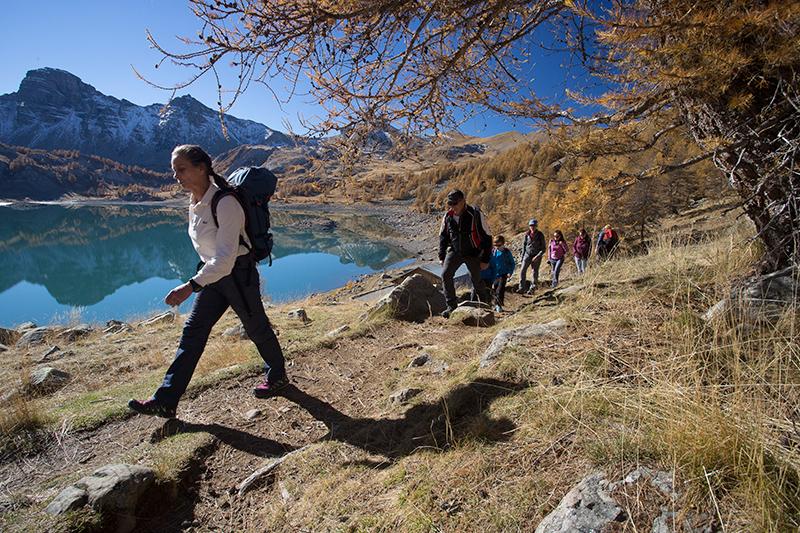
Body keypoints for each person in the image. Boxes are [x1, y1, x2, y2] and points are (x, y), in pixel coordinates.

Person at [128, 145, 288, 418]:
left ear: (202, 168)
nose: (176, 176)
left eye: (181, 169)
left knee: (256, 328)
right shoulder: (195, 201)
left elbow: (225, 259)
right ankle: (166, 399)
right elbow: (211, 252)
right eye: (174, 170)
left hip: (237, 274)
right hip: (213, 276)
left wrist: (190, 286)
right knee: (192, 334)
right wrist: (201, 278)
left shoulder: (225, 203)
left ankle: (278, 376)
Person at [438, 189, 492, 318]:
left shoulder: (475, 214)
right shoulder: (448, 216)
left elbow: (487, 237)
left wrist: (485, 259)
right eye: (450, 204)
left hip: (473, 252)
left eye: (455, 203)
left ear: (463, 201)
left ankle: (483, 305)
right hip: (455, 251)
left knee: (476, 279)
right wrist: (442, 256)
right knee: (446, 275)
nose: (452, 207)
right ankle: (451, 306)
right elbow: (443, 236)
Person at [517, 218, 546, 295]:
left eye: (534, 225)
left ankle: (532, 288)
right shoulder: (527, 234)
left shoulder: (540, 235)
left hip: (536, 255)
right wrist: (522, 257)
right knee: (522, 270)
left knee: (534, 272)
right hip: (527, 254)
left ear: (536, 226)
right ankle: (521, 288)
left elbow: (543, 248)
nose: (532, 227)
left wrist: (538, 256)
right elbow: (524, 246)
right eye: (531, 225)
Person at [489, 235, 515, 313]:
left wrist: (510, 272)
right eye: (495, 245)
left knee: (500, 289)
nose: (497, 247)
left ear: (503, 243)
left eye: (499, 245)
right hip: (495, 274)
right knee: (495, 289)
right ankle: (495, 303)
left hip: (503, 274)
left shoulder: (506, 252)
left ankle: (498, 305)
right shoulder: (493, 252)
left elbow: (512, 263)